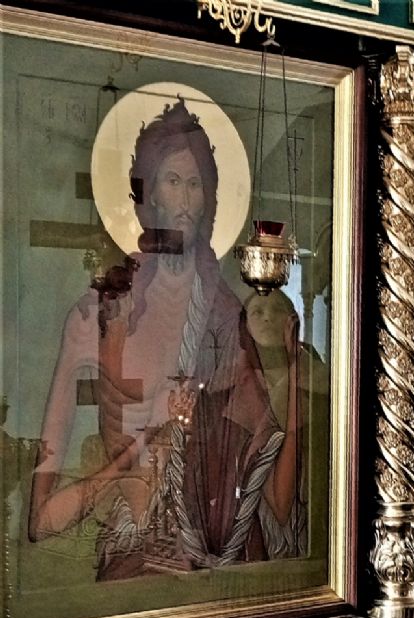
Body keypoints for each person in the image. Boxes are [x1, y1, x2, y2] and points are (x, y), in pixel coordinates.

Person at [28, 98, 301, 579]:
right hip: (136, 558)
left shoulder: (225, 318)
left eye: (196, 184)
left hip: (216, 564)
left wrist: (293, 371)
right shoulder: (99, 316)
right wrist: (141, 449)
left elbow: (275, 497)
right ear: (148, 193)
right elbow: (41, 519)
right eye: (173, 181)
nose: (186, 200)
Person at [244, 289, 330, 558]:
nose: (268, 317)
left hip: (313, 497)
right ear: (244, 325)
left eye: (277, 310)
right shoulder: (238, 383)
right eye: (258, 311)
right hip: (264, 515)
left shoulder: (317, 374)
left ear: (292, 320)